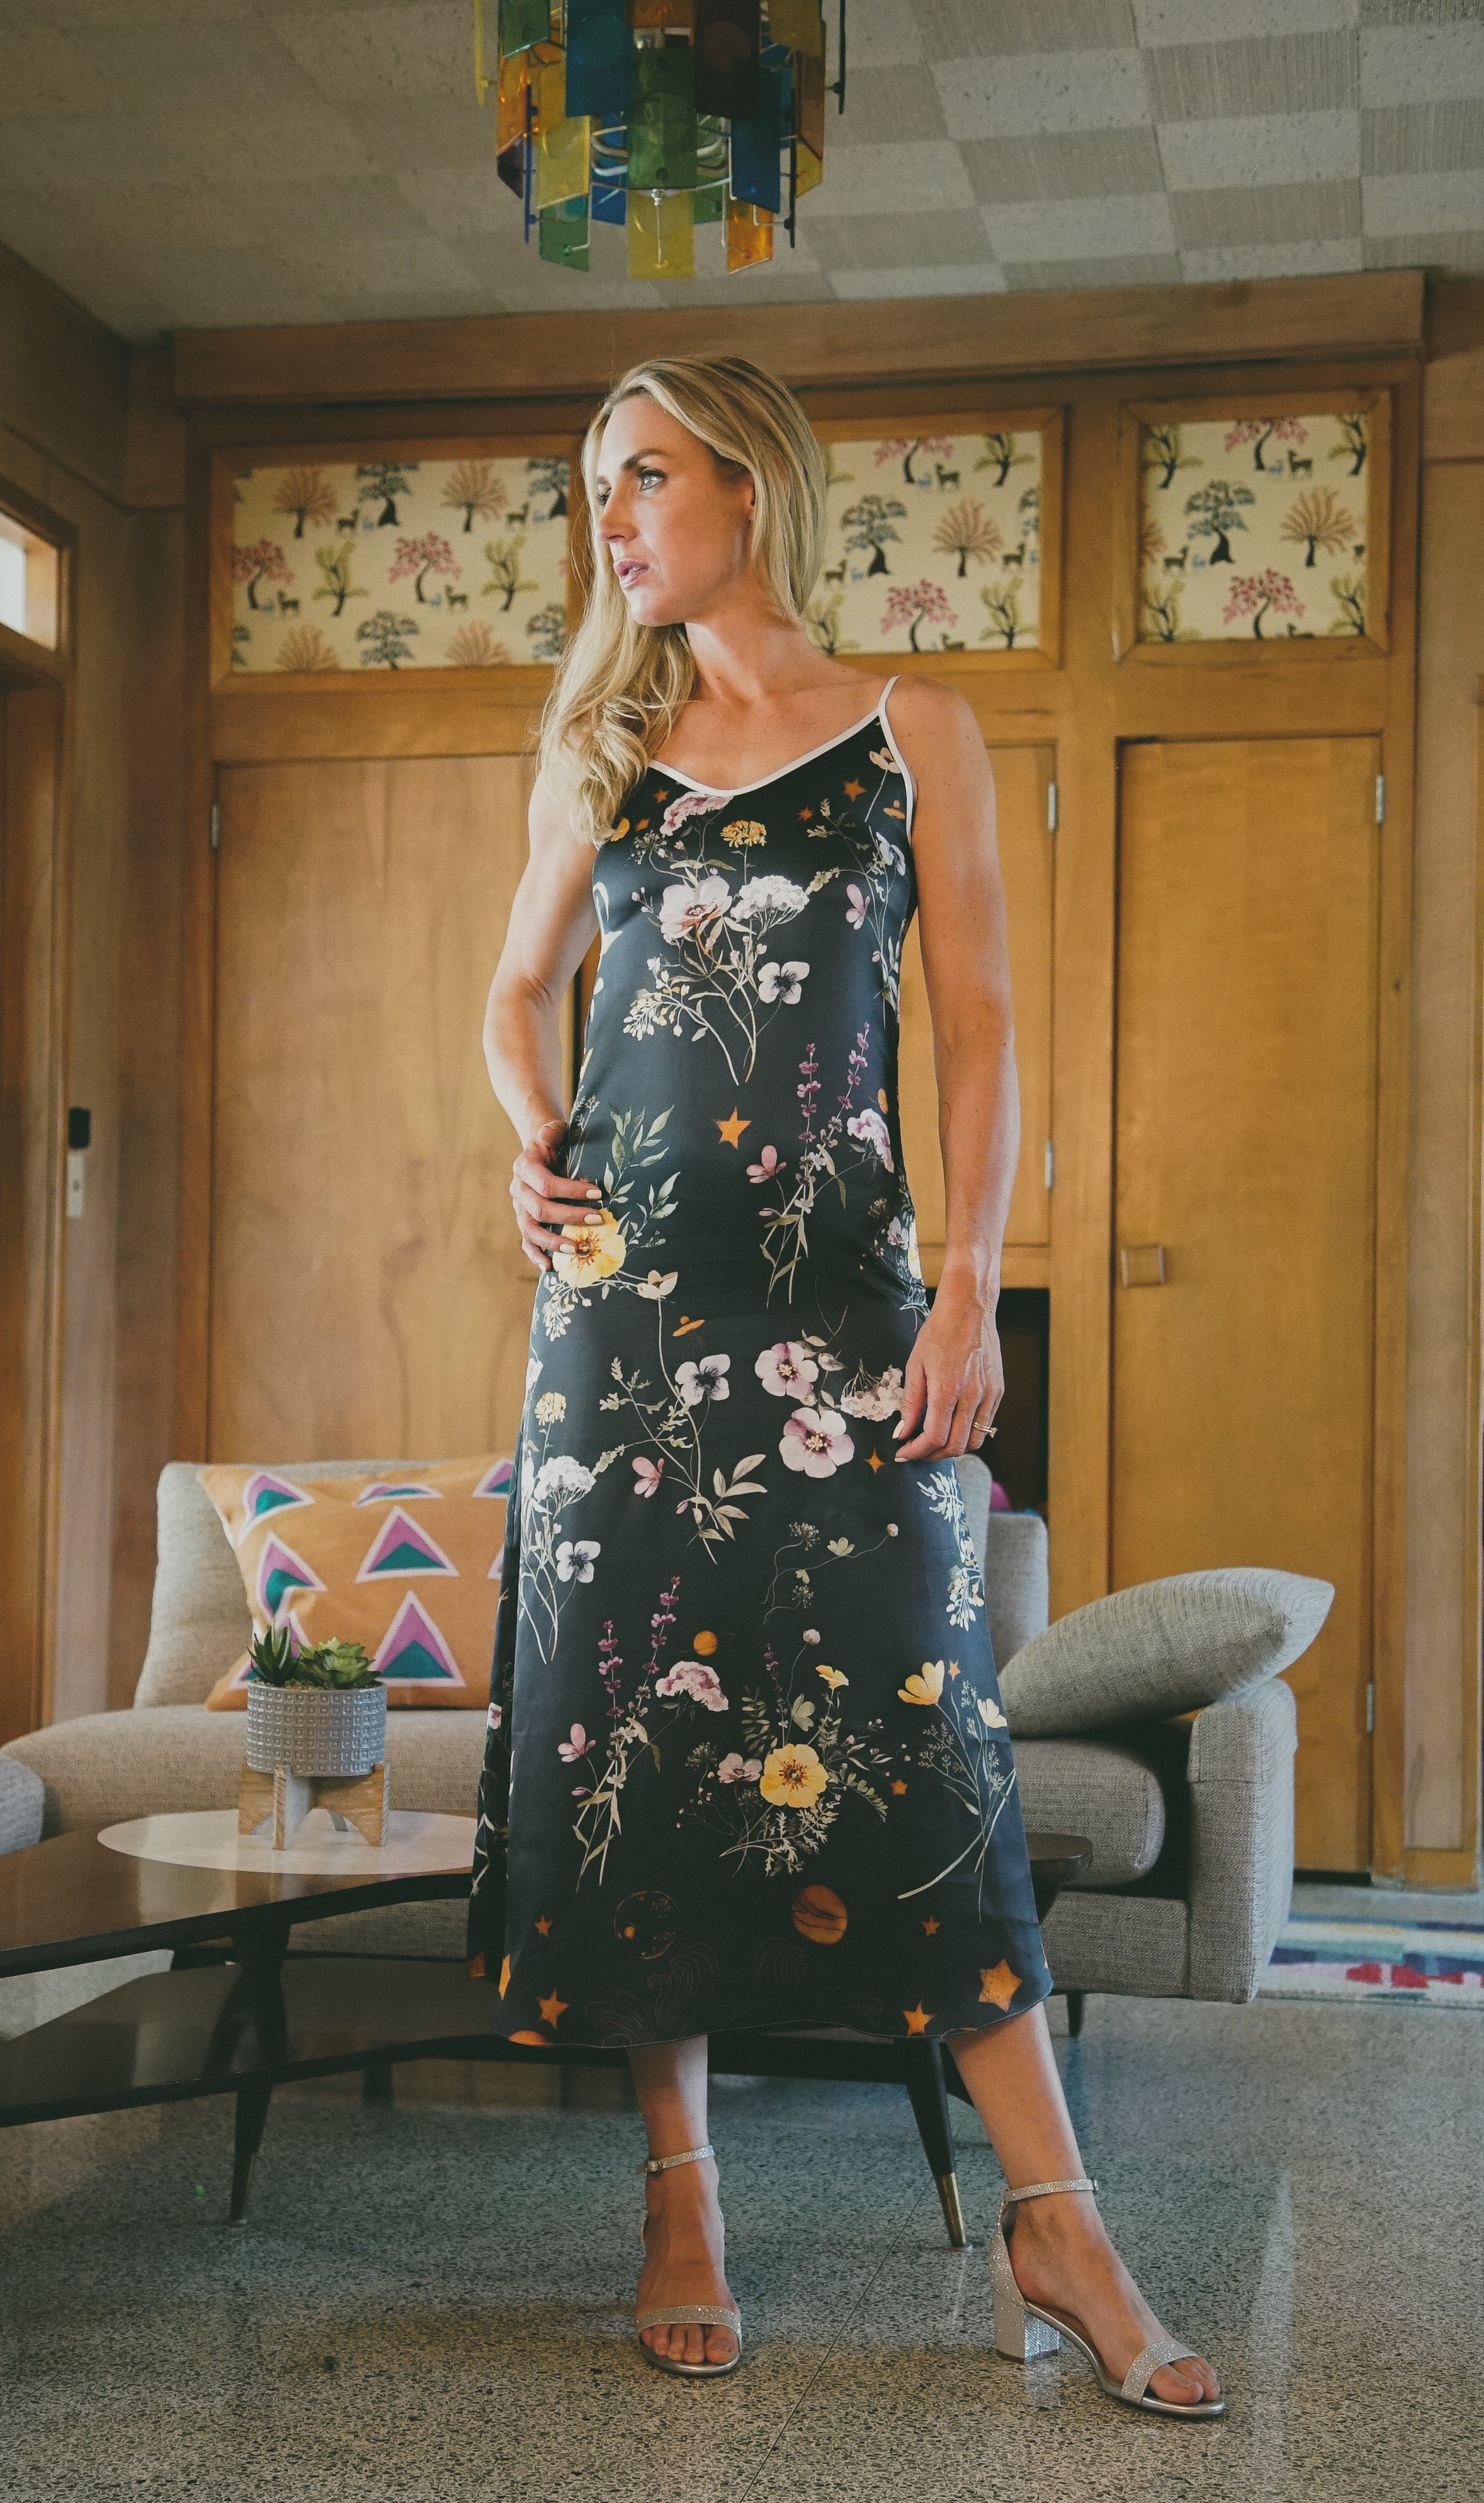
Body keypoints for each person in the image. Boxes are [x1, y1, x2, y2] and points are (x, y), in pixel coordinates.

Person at [466, 355, 1221, 2418]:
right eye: (596, 490)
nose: (613, 520)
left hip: (849, 1313)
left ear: (749, 484)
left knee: (922, 1735)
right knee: (636, 1734)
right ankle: (683, 2196)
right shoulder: (604, 753)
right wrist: (530, 1143)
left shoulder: (916, 734)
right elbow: (514, 995)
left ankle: (1056, 2216)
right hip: (620, 1319)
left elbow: (980, 1027)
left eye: (643, 477)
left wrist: (970, 1293)